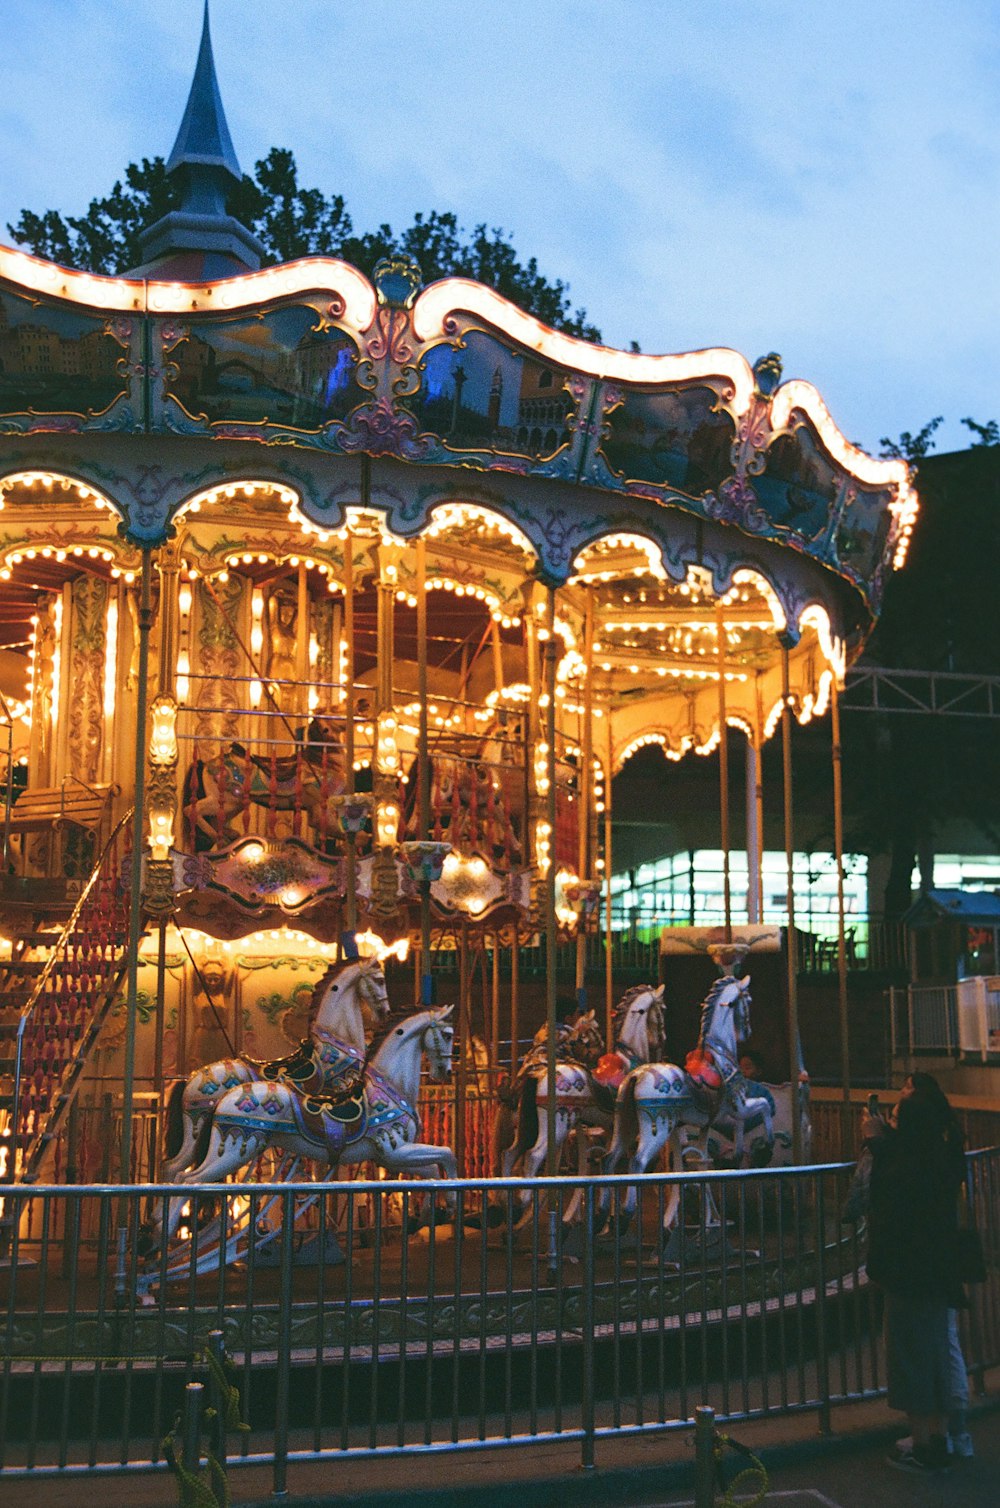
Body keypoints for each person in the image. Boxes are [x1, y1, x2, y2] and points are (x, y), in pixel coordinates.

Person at [862, 1073, 969, 1473]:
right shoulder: (940, 1156)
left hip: (908, 1272)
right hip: (938, 1268)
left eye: (895, 1117)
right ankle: (939, 1436)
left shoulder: (904, 1166)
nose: (890, 1121)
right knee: (937, 1352)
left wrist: (877, 1141)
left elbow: (886, 1200)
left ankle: (924, 1445)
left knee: (910, 1355)